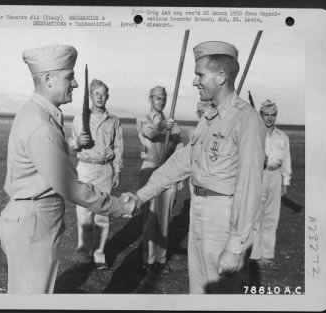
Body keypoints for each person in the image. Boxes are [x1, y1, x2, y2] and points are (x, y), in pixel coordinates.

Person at [123, 41, 266, 293]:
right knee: (199, 292)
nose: (194, 82)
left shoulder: (246, 119)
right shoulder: (209, 118)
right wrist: (140, 195)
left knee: (222, 295)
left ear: (221, 77)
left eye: (200, 74)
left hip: (224, 218)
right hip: (199, 213)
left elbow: (249, 186)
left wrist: (234, 246)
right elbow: (180, 163)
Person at [0, 45, 135, 294]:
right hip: (34, 225)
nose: (74, 84)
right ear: (48, 79)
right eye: (69, 77)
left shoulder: (37, 113)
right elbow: (72, 188)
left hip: (33, 221)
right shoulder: (41, 125)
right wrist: (120, 206)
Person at [69, 79, 123, 270]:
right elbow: (71, 144)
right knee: (84, 212)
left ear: (107, 96)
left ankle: (99, 254)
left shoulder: (114, 121)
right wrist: (78, 142)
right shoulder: (80, 117)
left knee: (102, 213)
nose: (100, 97)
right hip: (85, 167)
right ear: (90, 96)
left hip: (105, 170)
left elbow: (118, 147)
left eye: (103, 94)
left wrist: (116, 171)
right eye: (96, 94)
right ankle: (84, 253)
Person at [136, 86, 183, 274]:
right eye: (157, 98)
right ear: (150, 99)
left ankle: (161, 260)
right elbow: (150, 132)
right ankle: (148, 259)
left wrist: (179, 176)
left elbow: (179, 150)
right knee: (150, 218)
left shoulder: (174, 124)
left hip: (168, 173)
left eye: (163, 98)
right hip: (149, 172)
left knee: (164, 219)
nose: (161, 101)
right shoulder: (143, 119)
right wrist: (163, 126)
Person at [250, 99, 292, 266]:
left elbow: (286, 160)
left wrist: (285, 182)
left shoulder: (283, 137)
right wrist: (260, 159)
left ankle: (267, 255)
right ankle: (254, 255)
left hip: (275, 177)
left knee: (271, 218)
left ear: (276, 116)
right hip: (259, 176)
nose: (269, 118)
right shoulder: (255, 135)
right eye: (266, 115)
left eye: (272, 115)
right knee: (255, 217)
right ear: (261, 115)